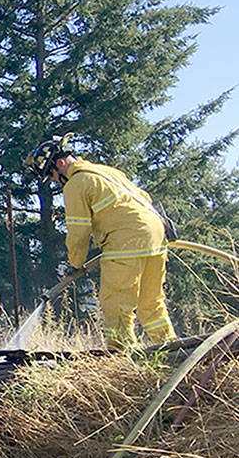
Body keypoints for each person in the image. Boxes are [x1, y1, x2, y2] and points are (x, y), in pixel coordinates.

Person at [25, 134, 177, 351]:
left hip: (126, 240)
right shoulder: (106, 171)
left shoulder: (76, 184)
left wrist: (75, 264)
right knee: (151, 303)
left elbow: (78, 231)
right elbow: (143, 197)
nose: (52, 179)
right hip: (156, 233)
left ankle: (122, 359)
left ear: (60, 163)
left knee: (115, 305)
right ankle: (172, 352)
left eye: (50, 174)